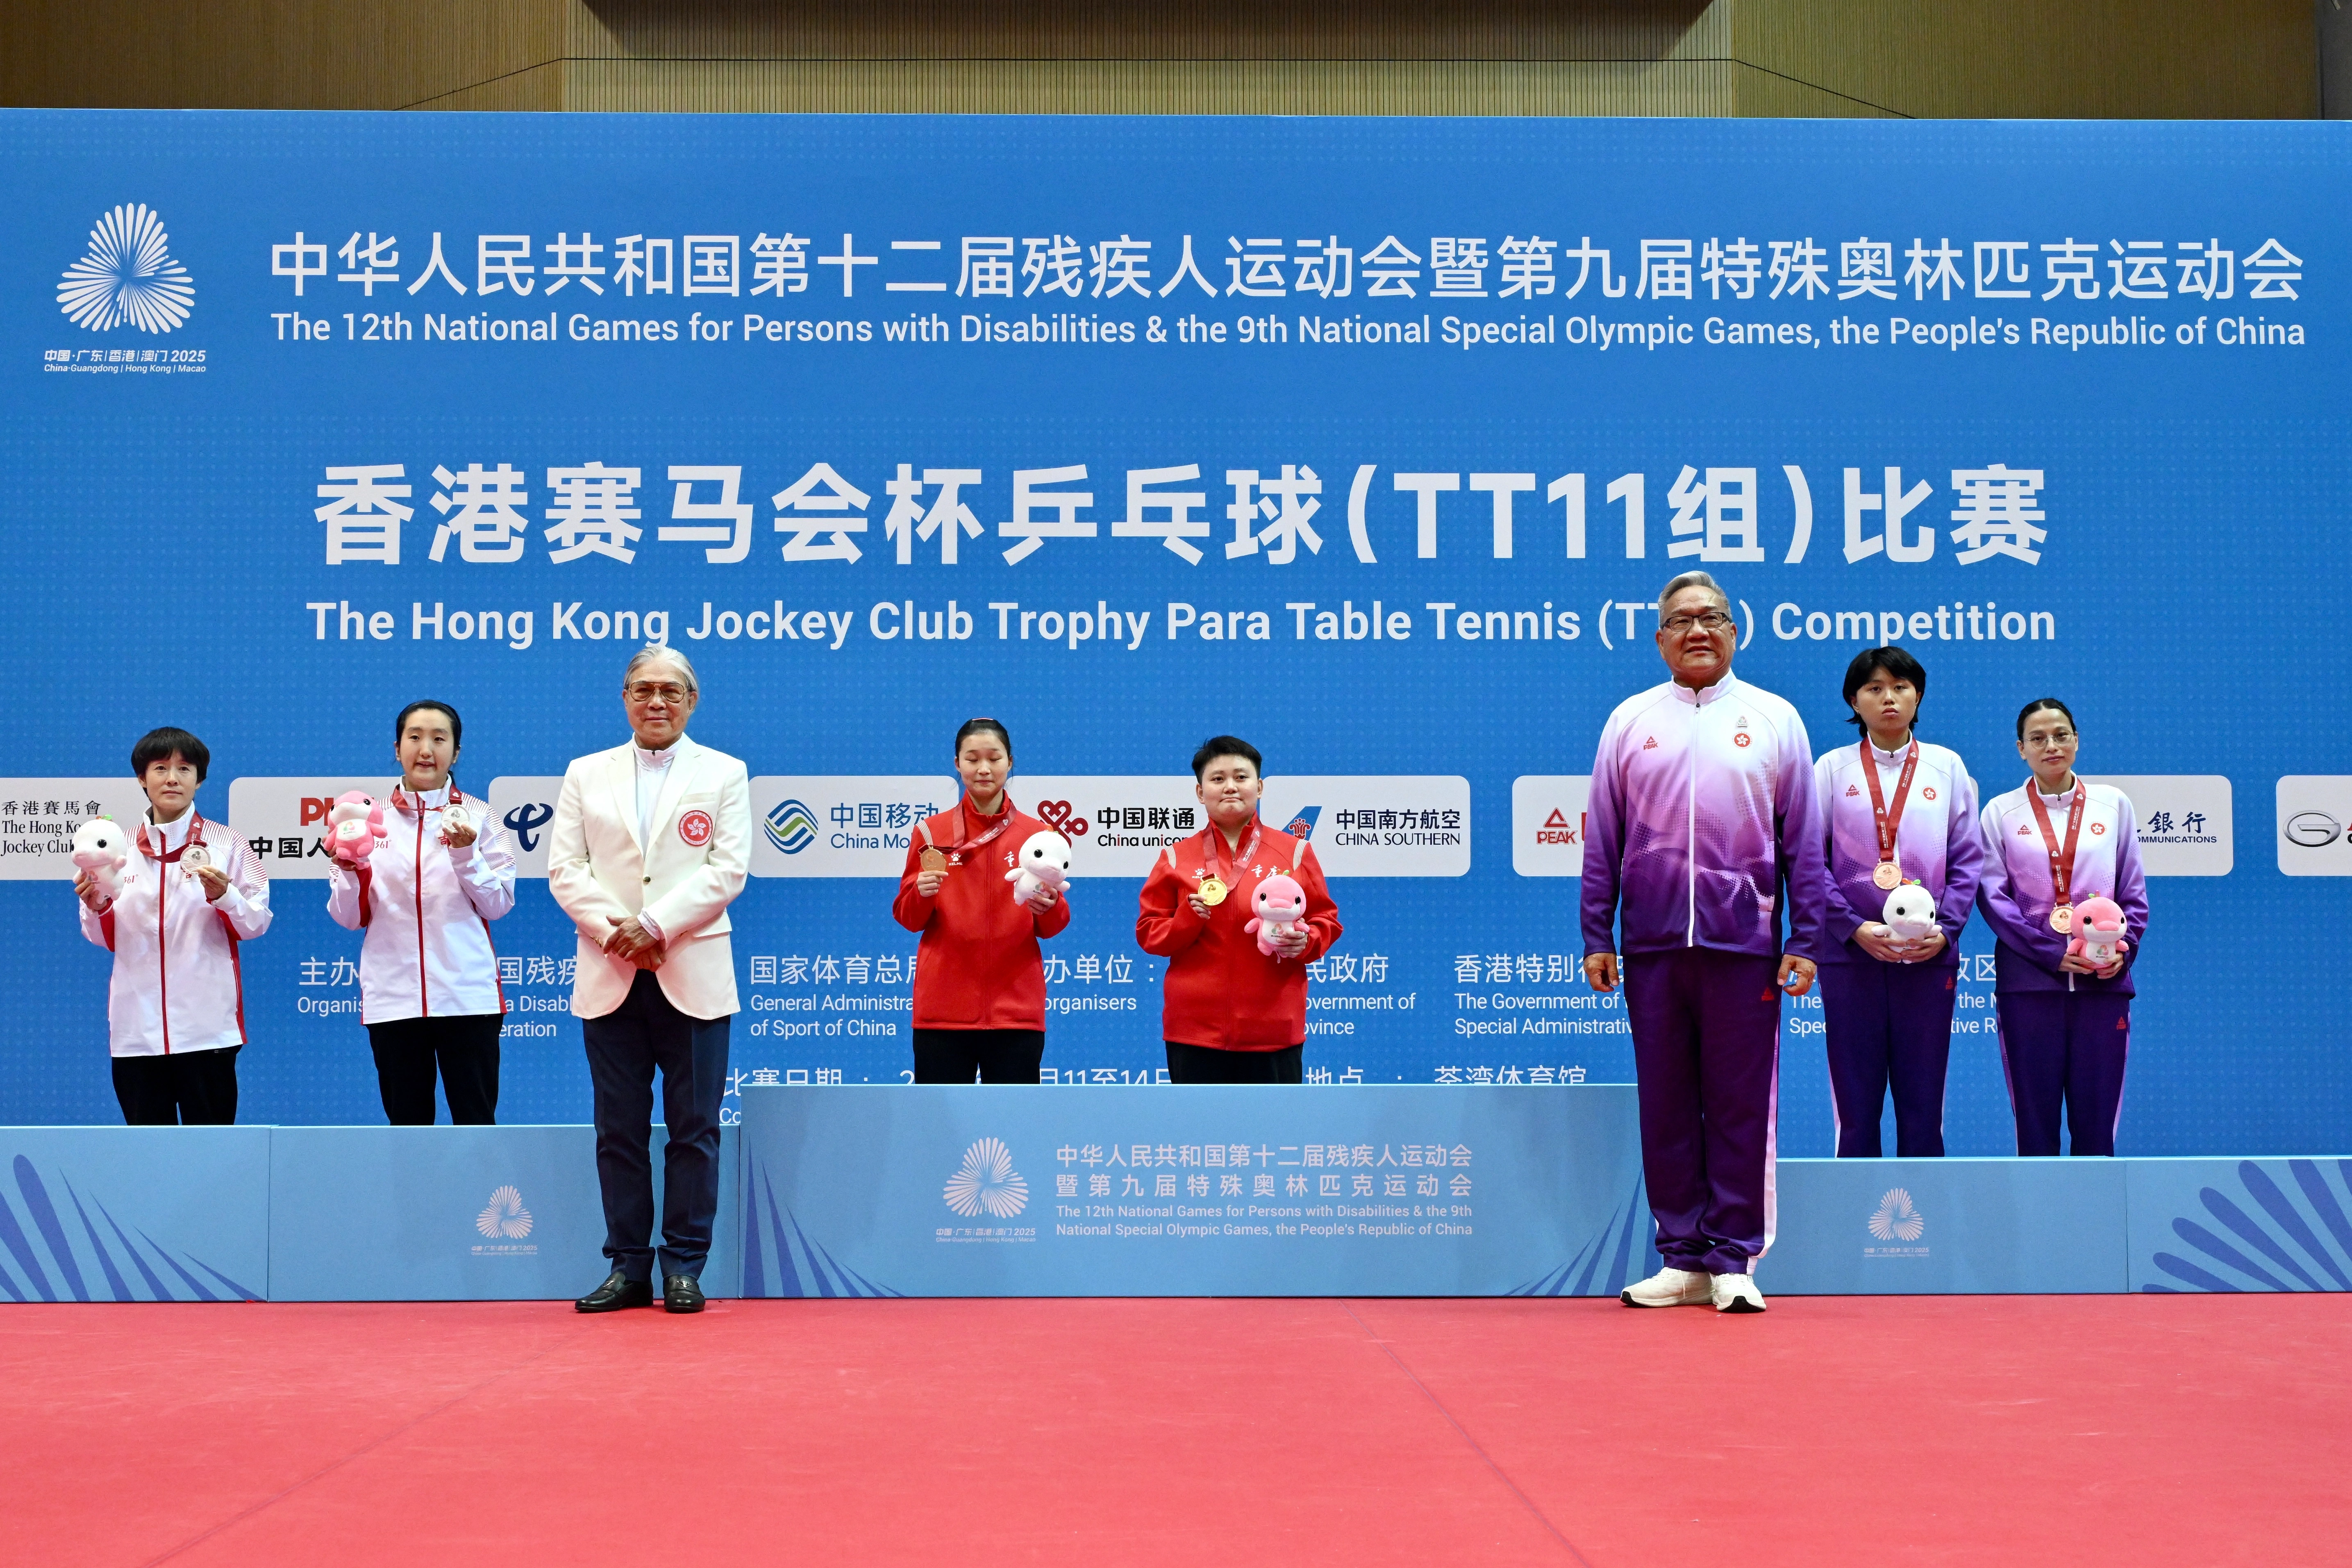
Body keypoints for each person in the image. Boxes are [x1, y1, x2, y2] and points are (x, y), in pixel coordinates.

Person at [1581, 572, 1823, 1313]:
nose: (1696, 630)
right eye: (1680, 619)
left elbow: (1803, 844)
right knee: (1664, 1102)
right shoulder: (1628, 721)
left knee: (1739, 1102)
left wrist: (1804, 936)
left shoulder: (1774, 719)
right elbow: (1602, 837)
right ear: (1657, 638)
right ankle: (1680, 1255)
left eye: (1711, 618)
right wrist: (1598, 932)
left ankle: (1732, 1257)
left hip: (1742, 944)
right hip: (1651, 946)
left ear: (1733, 632)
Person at [549, 646, 749, 1314]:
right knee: (618, 1130)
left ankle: (684, 1266)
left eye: (669, 691)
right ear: (624, 698)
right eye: (641, 690)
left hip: (689, 968)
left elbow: (727, 870)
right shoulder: (586, 772)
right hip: (610, 969)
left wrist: (655, 926)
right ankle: (627, 1267)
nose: (655, 702)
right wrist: (618, 932)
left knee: (695, 1128)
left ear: (692, 701)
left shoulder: (723, 772)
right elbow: (565, 869)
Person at [1813, 648, 1983, 1158]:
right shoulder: (1831, 768)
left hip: (1928, 958)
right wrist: (1853, 928)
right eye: (1875, 689)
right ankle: (1852, 1228)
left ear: (1918, 696)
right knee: (1857, 1112)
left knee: (1923, 1109)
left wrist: (1945, 930)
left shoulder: (1946, 766)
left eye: (1901, 687)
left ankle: (1927, 1231)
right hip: (1851, 957)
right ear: (1854, 701)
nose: (1889, 698)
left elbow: (1968, 858)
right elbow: (1807, 862)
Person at [324, 700, 517, 1125]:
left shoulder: (482, 817)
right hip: (394, 1001)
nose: (425, 749)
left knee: (476, 1125)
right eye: (414, 737)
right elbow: (348, 917)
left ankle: (476, 1196)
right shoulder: (364, 821)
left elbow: (498, 903)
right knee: (407, 1132)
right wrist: (347, 870)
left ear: (457, 752)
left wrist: (466, 853)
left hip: (467, 999)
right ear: (397, 749)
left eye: (438, 738)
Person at [74, 727, 271, 1124]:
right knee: (149, 1161)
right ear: (141, 779)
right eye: (160, 768)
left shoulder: (229, 844)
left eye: (184, 768)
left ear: (199, 778)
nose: (172, 778)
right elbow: (101, 937)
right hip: (136, 1034)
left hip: (207, 1031)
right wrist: (96, 906)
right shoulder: (116, 848)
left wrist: (224, 895)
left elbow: (256, 922)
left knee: (212, 1159)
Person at [1977, 698, 2147, 1157]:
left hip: (2101, 984)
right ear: (2021, 749)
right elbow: (1993, 899)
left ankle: (2097, 1229)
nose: (2051, 745)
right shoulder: (2001, 812)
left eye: (2061, 735)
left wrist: (2123, 949)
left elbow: (2132, 890)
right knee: (2036, 1129)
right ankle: (2040, 1229)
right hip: (2030, 987)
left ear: (2077, 740)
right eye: (2038, 738)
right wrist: (2050, 953)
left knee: (2097, 1133)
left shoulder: (2114, 805)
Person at [1136, 736, 1341, 1084]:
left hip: (1273, 1029)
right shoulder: (1175, 857)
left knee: (1274, 1137)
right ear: (1200, 793)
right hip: (1194, 1031)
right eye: (1217, 779)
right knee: (1199, 1137)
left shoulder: (1294, 852)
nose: (1230, 787)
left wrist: (1305, 943)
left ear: (1259, 787)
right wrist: (1187, 920)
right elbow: (1150, 935)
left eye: (1241, 777)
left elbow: (1326, 920)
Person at [892, 718, 1070, 1083]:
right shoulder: (930, 832)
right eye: (972, 759)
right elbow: (908, 918)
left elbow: (1052, 926)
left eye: (994, 758)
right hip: (942, 1010)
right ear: (957, 764)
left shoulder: (1038, 835)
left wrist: (1051, 906)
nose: (984, 769)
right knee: (939, 1132)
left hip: (1016, 1010)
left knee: (1013, 1130)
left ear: (1010, 763)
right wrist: (921, 894)